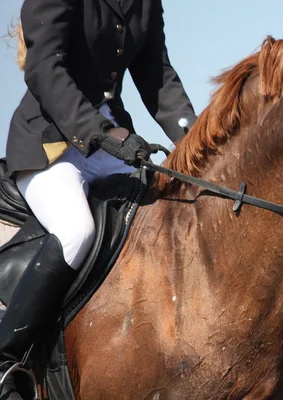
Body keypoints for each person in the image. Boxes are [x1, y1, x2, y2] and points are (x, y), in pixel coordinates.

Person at [0, 0, 196, 398]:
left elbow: (155, 73)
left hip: (111, 144)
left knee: (165, 215)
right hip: (50, 143)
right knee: (76, 230)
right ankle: (6, 357)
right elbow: (44, 69)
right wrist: (100, 130)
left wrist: (199, 142)